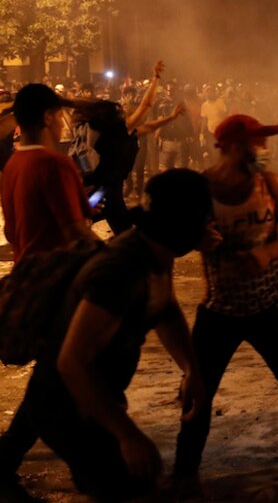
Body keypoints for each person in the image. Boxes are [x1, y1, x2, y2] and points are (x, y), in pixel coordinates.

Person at [173, 114, 278, 489]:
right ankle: (185, 471)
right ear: (232, 147)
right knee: (198, 387)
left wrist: (269, 253)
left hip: (269, 304)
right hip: (219, 308)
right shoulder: (202, 188)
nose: (263, 150)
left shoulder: (269, 183)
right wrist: (198, 239)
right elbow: (180, 238)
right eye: (256, 143)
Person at [25, 169, 210, 500]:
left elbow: (165, 309)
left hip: (99, 394)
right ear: (182, 224)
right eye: (202, 222)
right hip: (66, 403)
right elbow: (72, 363)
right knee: (128, 487)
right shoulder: (121, 270)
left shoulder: (155, 251)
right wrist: (127, 435)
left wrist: (190, 368)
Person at [0, 83, 98, 501]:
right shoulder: (54, 163)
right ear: (46, 116)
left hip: (29, 276)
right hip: (60, 286)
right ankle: (91, 468)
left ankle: (0, 465)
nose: (63, 120)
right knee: (55, 384)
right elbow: (76, 233)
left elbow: (18, 227)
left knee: (51, 380)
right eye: (60, 113)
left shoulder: (13, 164)